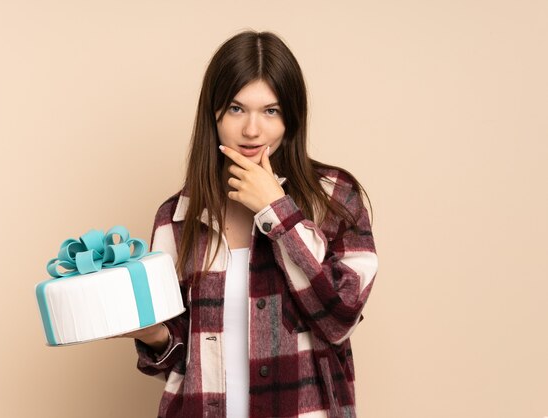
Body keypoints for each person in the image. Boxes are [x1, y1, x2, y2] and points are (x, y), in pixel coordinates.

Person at [121, 30, 378, 418]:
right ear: (214, 113)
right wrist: (151, 334)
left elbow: (340, 317)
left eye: (270, 111)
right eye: (237, 109)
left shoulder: (334, 197)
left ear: (291, 117)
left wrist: (276, 209)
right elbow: (178, 358)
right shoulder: (177, 216)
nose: (252, 130)